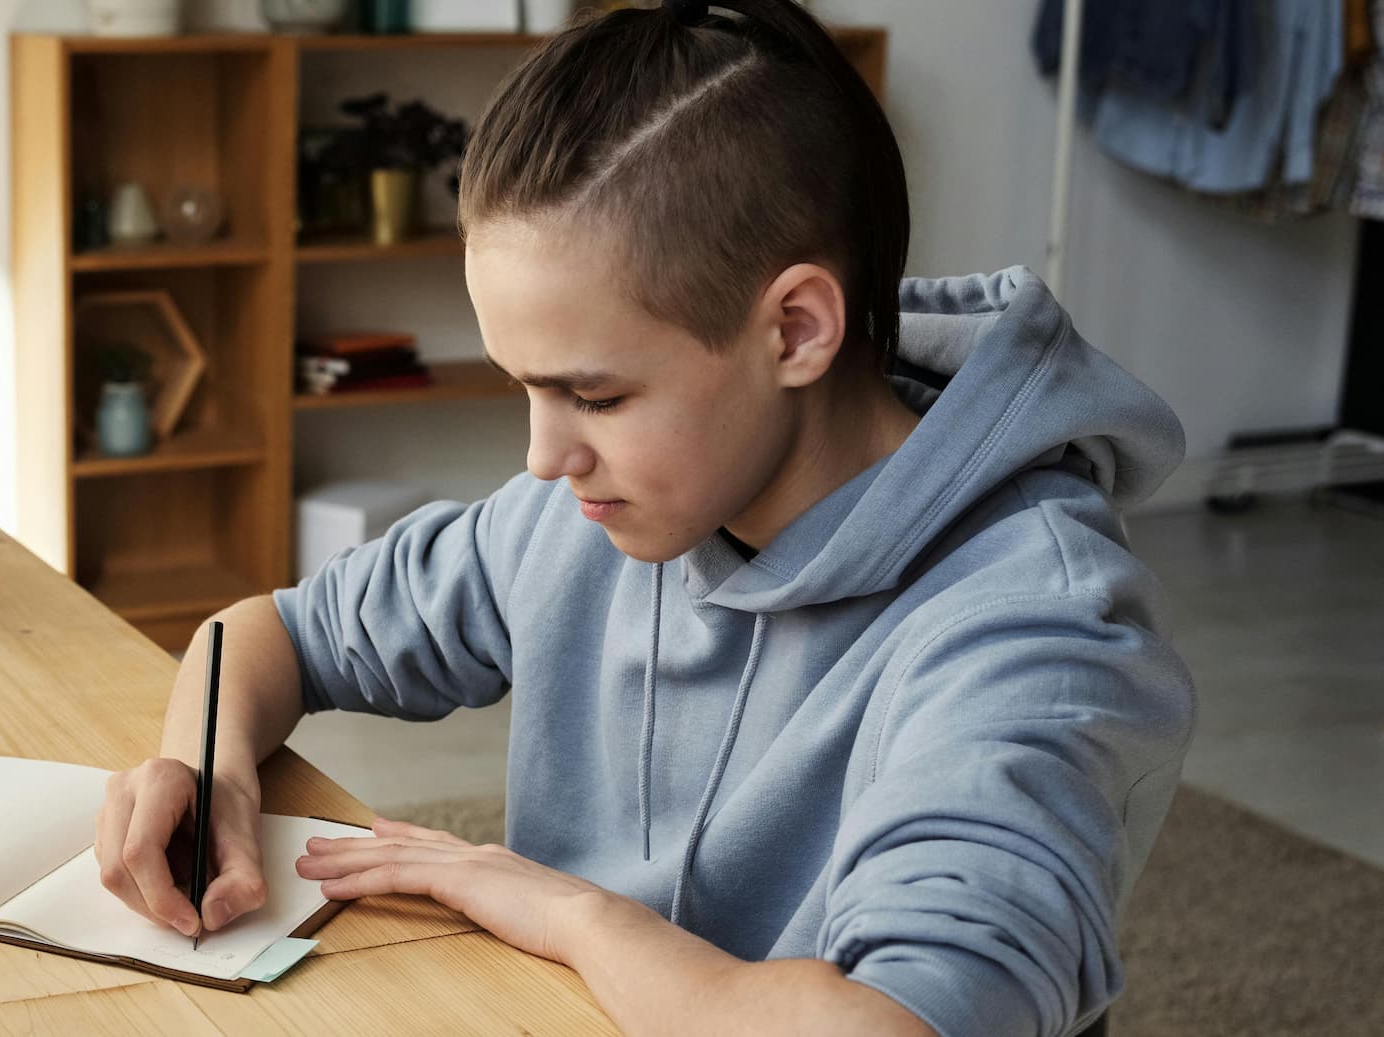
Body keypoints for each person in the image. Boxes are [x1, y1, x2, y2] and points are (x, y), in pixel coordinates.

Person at [90, 1, 1194, 1034]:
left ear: (797, 329)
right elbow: (262, 633)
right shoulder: (588, 509)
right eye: (523, 386)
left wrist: (574, 915)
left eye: (596, 395)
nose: (540, 456)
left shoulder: (1030, 630)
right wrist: (212, 769)